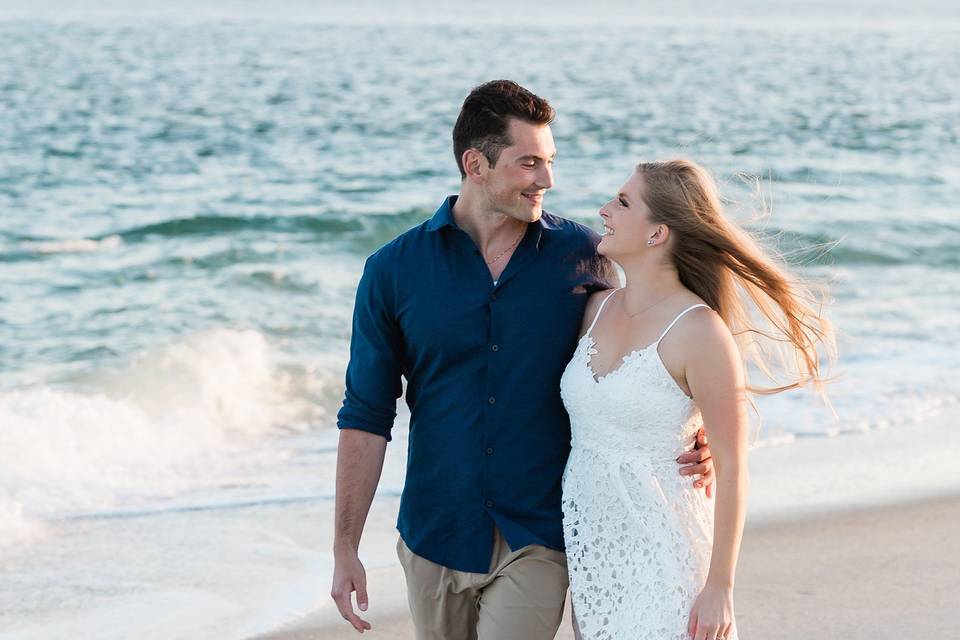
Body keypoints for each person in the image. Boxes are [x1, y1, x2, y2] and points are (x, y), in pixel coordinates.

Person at [330, 81, 716, 638]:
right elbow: (366, 415)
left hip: (537, 532)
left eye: (550, 160)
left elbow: (654, 336)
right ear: (476, 164)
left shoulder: (583, 256)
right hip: (434, 532)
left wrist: (692, 423)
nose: (548, 179)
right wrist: (345, 547)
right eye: (529, 162)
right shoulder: (392, 272)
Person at [560, 159, 835, 639]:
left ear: (657, 233)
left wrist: (719, 587)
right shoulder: (594, 308)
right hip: (595, 559)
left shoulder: (699, 331)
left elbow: (731, 467)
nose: (604, 210)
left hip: (667, 554)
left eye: (623, 202)